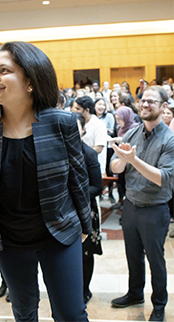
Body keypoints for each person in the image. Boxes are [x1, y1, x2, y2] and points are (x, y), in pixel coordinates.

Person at [0, 41, 91, 322]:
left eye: (4, 70)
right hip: (9, 239)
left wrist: (85, 226)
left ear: (30, 80)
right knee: (25, 311)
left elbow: (78, 178)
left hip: (59, 234)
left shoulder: (62, 122)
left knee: (71, 314)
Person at [110, 86, 174, 322]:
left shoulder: (170, 139)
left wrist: (133, 160)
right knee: (132, 255)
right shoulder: (133, 132)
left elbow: (163, 177)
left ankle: (159, 304)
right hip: (131, 206)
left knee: (155, 260)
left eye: (151, 101)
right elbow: (115, 166)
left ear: (163, 106)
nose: (145, 104)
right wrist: (121, 162)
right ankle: (135, 293)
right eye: (142, 100)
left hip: (155, 210)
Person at [75, 113, 102, 305]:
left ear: (82, 130)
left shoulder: (89, 154)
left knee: (85, 253)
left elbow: (97, 187)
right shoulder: (59, 151)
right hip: (64, 211)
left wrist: (74, 193)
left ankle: (85, 289)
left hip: (85, 211)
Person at [74, 96, 107, 175]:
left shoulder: (99, 125)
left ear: (87, 110)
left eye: (78, 109)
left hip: (94, 167)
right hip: (81, 166)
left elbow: (99, 148)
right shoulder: (78, 123)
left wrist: (81, 156)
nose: (75, 111)